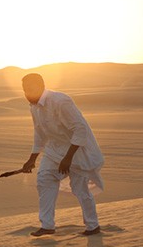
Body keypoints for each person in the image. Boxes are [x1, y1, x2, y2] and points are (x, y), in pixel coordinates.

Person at [19, 73, 104, 236]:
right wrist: (32, 158)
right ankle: (47, 226)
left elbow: (80, 129)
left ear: (41, 86)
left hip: (77, 150)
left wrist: (68, 158)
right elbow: (39, 132)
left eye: (30, 89)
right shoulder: (34, 106)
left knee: (79, 188)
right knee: (44, 179)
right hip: (53, 150)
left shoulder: (60, 101)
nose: (27, 94)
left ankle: (93, 226)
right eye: (24, 90)